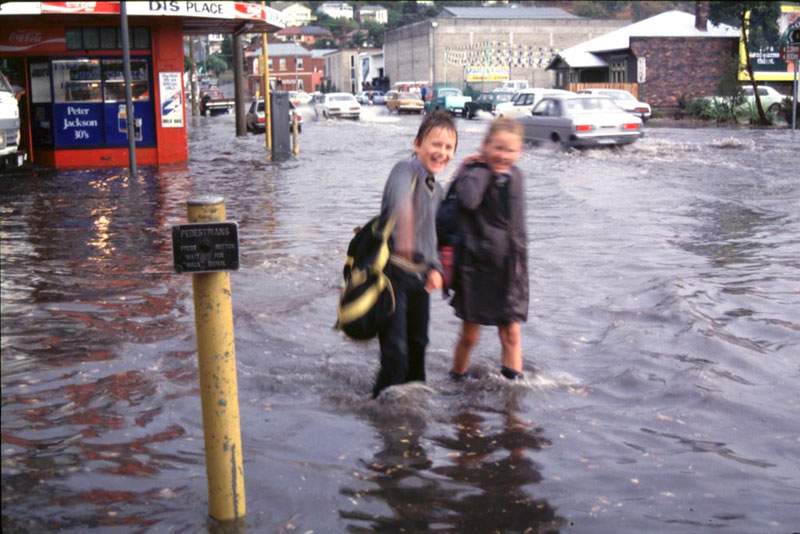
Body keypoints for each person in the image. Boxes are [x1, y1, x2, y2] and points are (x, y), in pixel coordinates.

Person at [372, 111, 458, 399]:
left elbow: (433, 233)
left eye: (448, 148)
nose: (441, 152)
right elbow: (399, 200)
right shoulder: (403, 171)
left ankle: (414, 424)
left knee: (419, 345)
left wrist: (437, 268)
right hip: (391, 275)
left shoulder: (438, 188)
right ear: (418, 143)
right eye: (436, 144)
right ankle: (381, 412)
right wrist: (406, 234)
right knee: (395, 352)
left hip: (420, 278)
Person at [448, 118, 528, 381]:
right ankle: (457, 379)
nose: (504, 156)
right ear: (485, 146)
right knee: (470, 335)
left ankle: (512, 393)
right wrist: (481, 166)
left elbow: (517, 226)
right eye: (498, 148)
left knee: (511, 334)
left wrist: (520, 267)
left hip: (509, 270)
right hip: (477, 270)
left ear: (519, 152)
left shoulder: (516, 177)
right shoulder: (476, 173)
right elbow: (468, 201)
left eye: (510, 150)